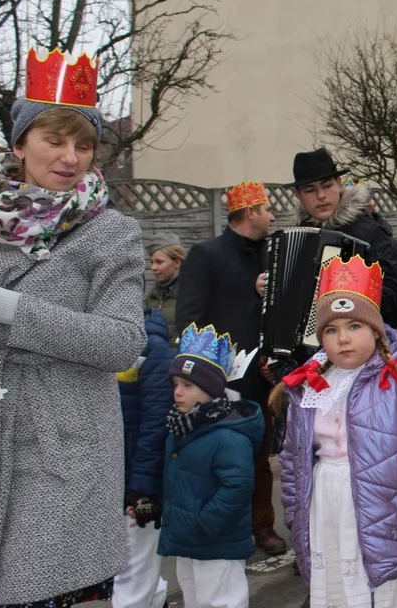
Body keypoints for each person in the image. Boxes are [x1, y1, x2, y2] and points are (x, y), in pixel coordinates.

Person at [0, 48, 146, 607]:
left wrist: (10, 309)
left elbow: (123, 342)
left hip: (64, 447)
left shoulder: (111, 233)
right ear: (20, 142)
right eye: (54, 140)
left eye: (83, 144)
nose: (70, 157)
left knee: (44, 587)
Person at [272, 255, 397, 607]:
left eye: (354, 326)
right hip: (326, 507)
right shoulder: (307, 387)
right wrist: (296, 518)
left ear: (375, 329)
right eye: (331, 330)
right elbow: (293, 462)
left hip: (383, 509)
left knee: (384, 590)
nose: (343, 339)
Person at [174, 180, 286, 556]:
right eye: (267, 209)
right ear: (251, 211)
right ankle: (223, 528)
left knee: (259, 460)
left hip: (262, 379)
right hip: (218, 381)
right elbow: (190, 320)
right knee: (219, 459)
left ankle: (263, 526)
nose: (272, 216)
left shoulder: (274, 255)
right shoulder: (206, 255)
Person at [158, 324, 263, 608]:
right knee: (195, 599)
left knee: (222, 601)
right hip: (189, 541)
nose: (178, 392)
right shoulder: (181, 427)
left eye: (188, 385)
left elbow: (238, 485)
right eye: (176, 384)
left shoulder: (228, 435)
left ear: (211, 390)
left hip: (216, 541)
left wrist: (206, 522)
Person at [288, 147, 397, 328]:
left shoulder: (369, 231)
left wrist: (352, 292)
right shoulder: (295, 239)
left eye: (327, 186)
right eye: (310, 190)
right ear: (298, 195)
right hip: (308, 350)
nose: (321, 196)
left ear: (339, 183)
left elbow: (393, 295)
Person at [111, 309, 175, 608]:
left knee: (132, 566)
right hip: (110, 476)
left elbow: (155, 426)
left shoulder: (152, 349)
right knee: (129, 562)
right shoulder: (96, 339)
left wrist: (143, 490)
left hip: (137, 481)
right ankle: (155, 597)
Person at [145, 232, 185, 340]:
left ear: (177, 262)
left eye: (159, 262)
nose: (153, 267)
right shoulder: (151, 298)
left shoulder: (191, 295)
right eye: (152, 262)